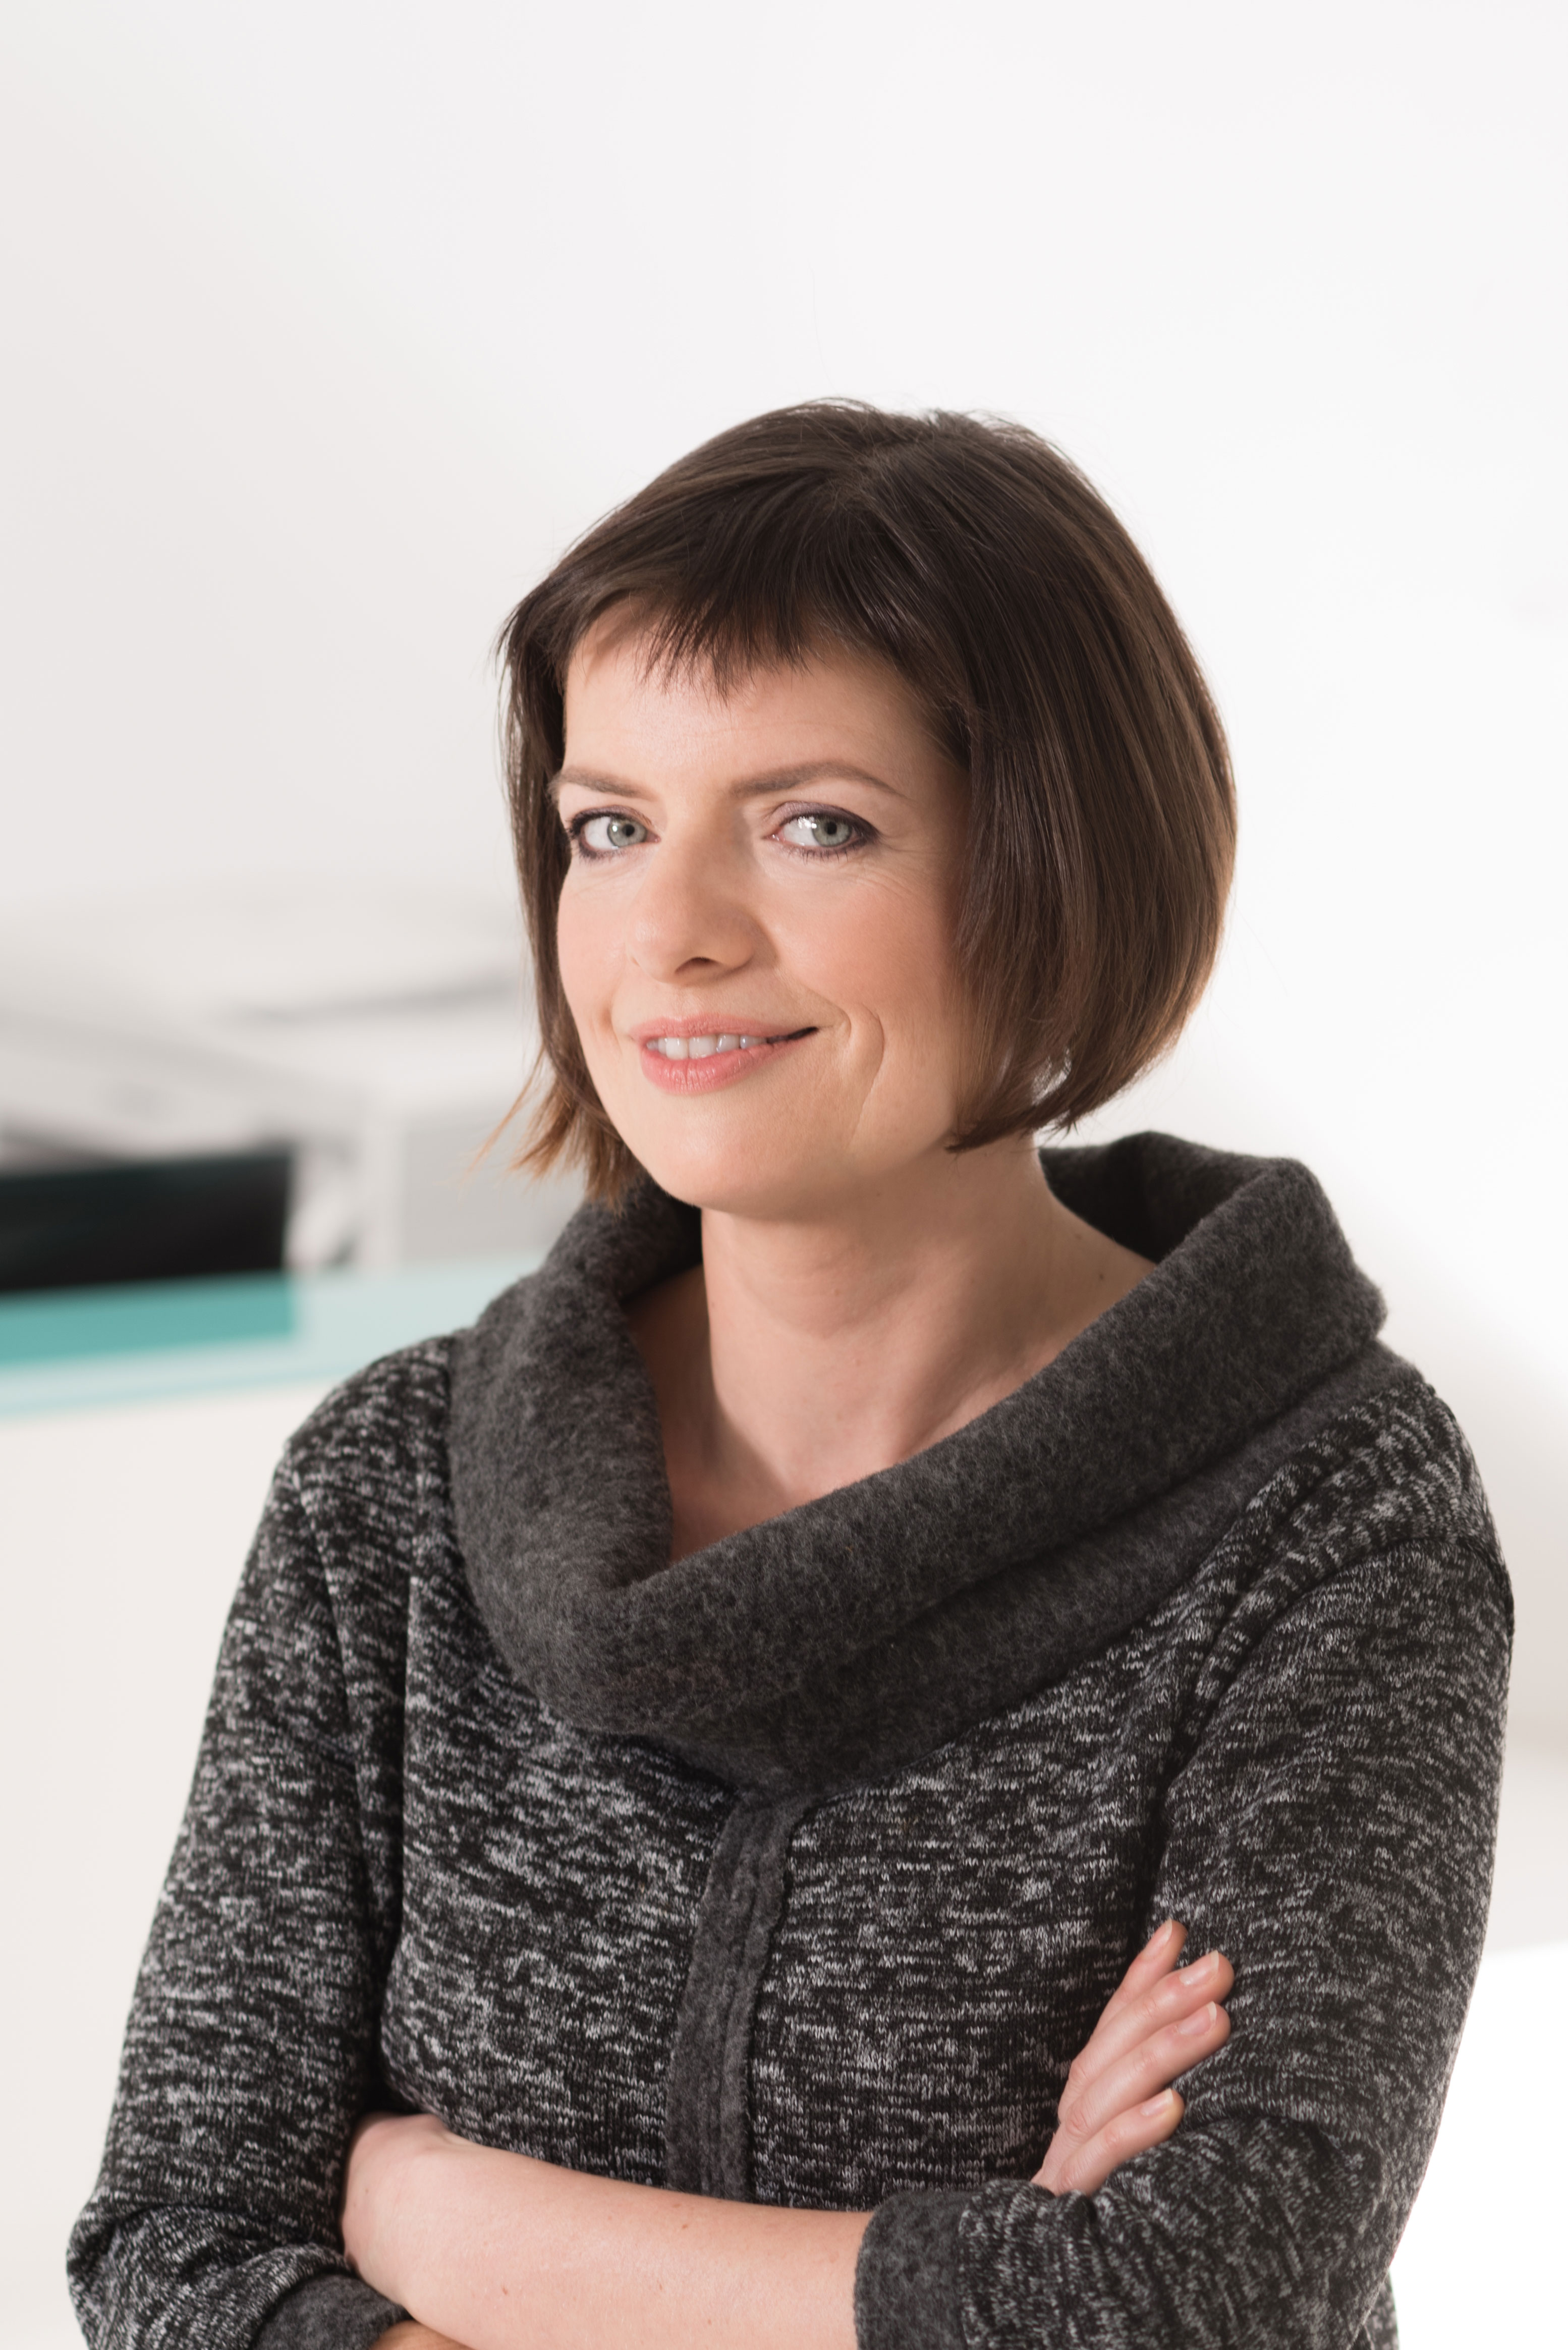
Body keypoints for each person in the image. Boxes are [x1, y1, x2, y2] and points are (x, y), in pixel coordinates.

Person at [69, 404, 1508, 2350]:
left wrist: (441, 2216)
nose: (668, 935)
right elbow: (174, 2251)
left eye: (813, 823)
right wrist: (975, 2277)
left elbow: (1199, 2302)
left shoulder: (1326, 1516)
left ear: (1056, 870)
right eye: (609, 827)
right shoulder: (388, 1487)